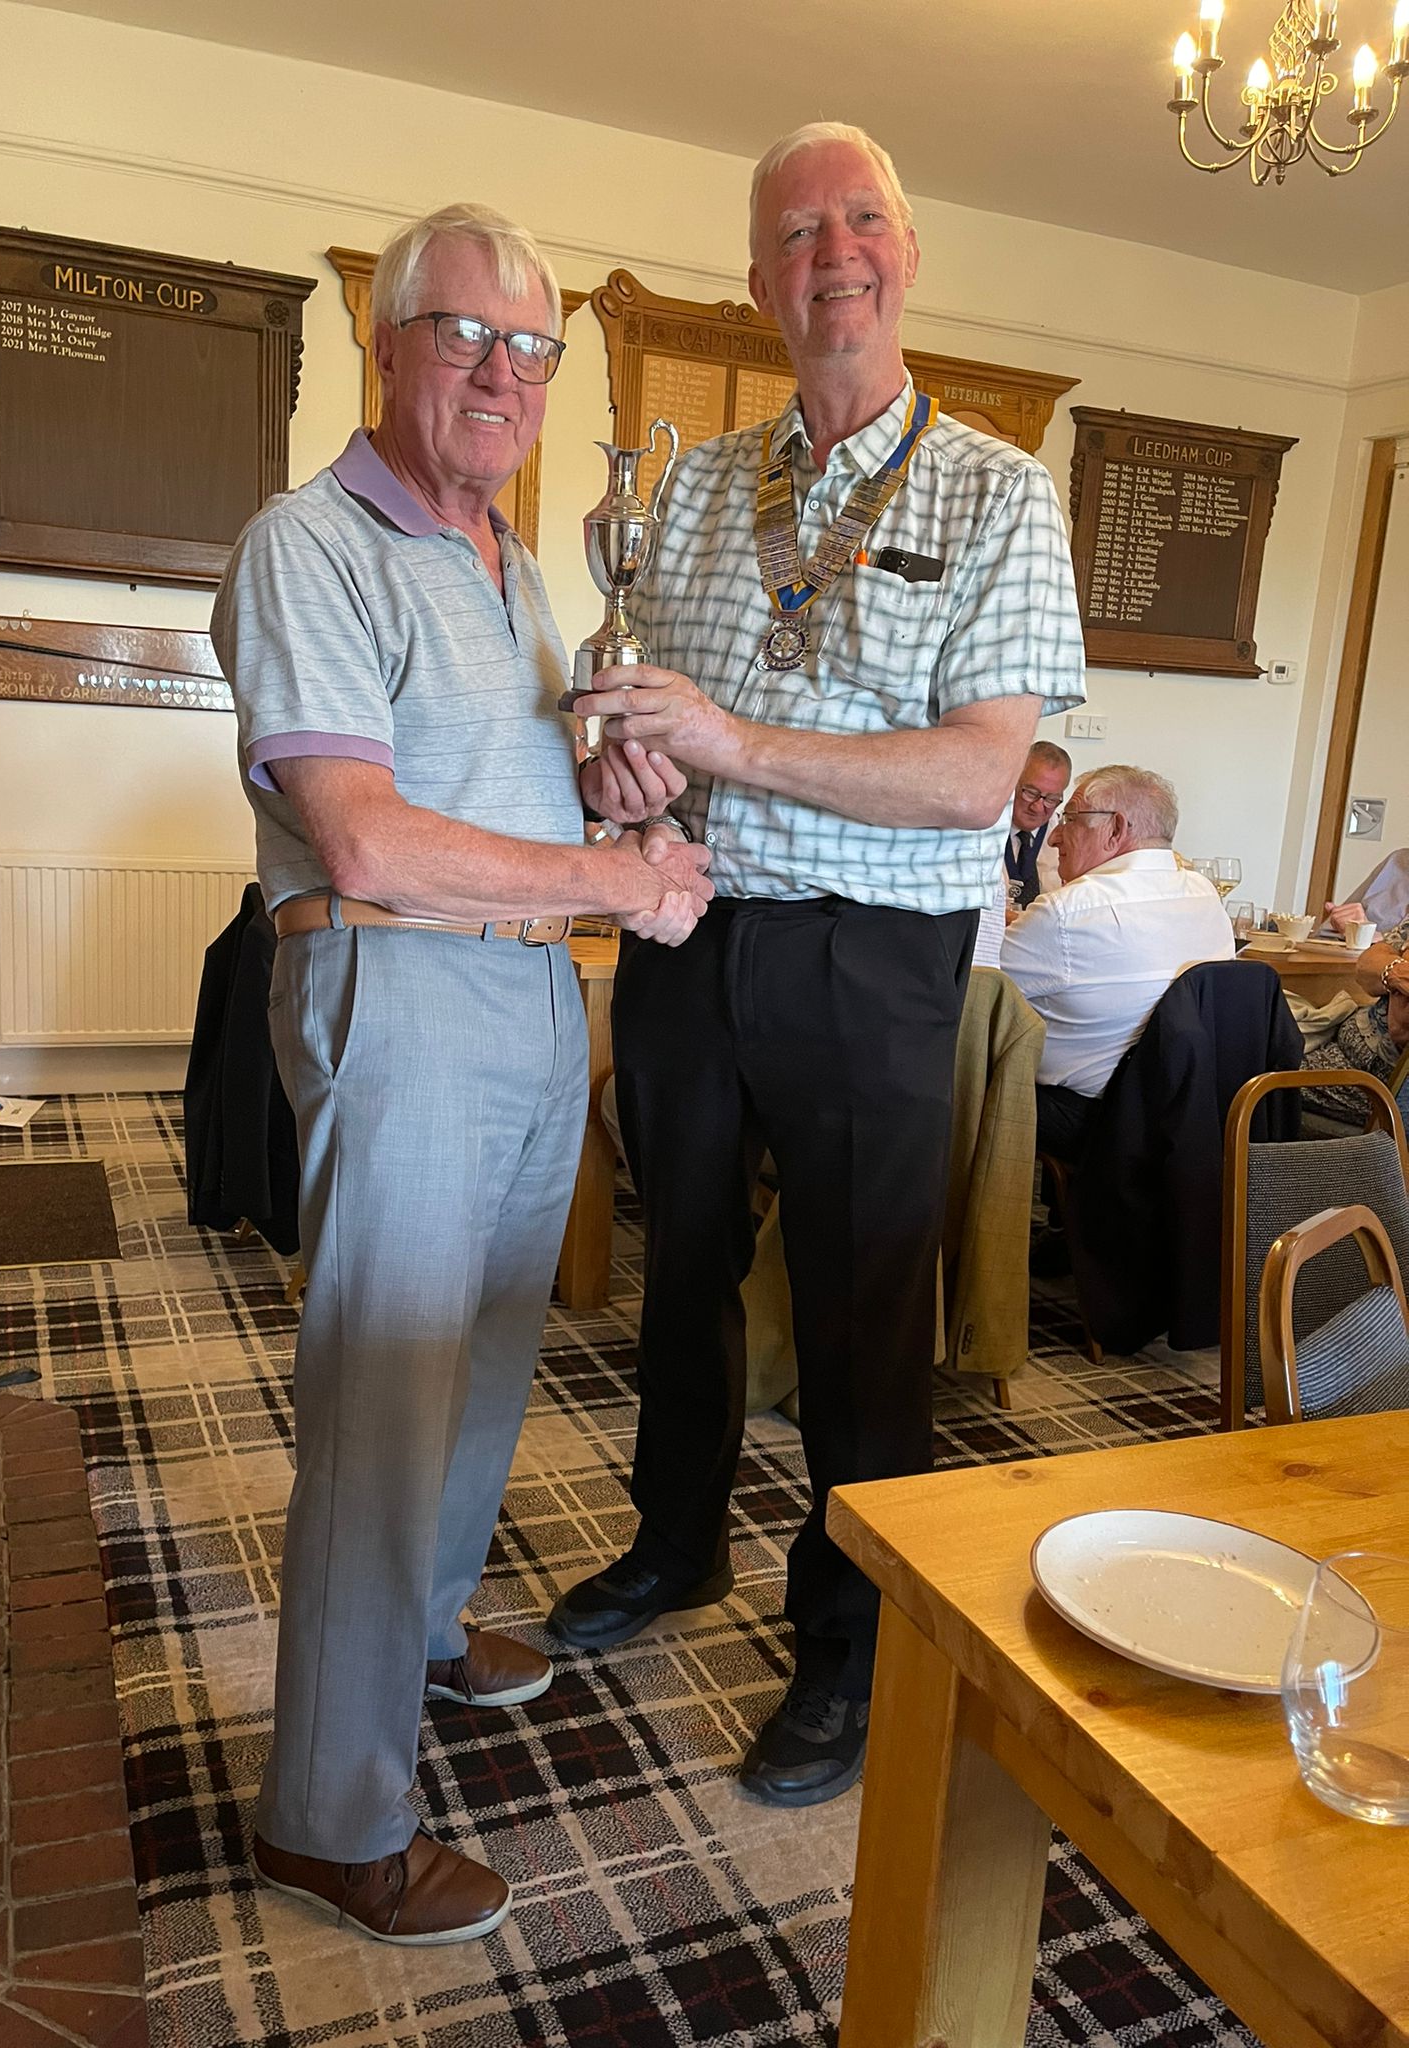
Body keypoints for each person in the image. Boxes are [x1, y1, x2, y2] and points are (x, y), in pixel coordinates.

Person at [549, 122, 1085, 1806]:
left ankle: (850, 1639)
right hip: (692, 931)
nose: (829, 252)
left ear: (907, 256)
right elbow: (643, 719)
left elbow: (976, 773)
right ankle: (676, 1539)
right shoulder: (700, 483)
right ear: (762, 281)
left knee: (864, 1313)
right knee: (681, 1262)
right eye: (793, 233)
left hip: (875, 958)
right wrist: (622, 764)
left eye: (859, 222)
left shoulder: (1001, 492)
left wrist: (730, 738)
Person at [211, 202, 712, 1947]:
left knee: (485, 1357)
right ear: (387, 343)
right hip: (399, 986)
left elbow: (511, 805)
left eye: (533, 350)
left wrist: (613, 806)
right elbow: (361, 839)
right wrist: (613, 883)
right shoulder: (310, 542)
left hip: (517, 998)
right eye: (466, 337)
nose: (502, 374)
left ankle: (424, 1626)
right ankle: (330, 1814)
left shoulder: (511, 566)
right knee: (384, 1396)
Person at [999, 764, 1235, 1162]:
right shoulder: (1203, 893)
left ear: (1116, 829)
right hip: (1188, 1118)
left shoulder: (1066, 912)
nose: (1054, 836)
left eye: (1070, 819)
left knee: (963, 1065)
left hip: (1096, 1121)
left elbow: (979, 984)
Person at [1299, 913, 1409, 1121]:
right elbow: (1366, 967)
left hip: (1370, 1082)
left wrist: (1390, 967)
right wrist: (1394, 971)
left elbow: (1399, 1026)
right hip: (1339, 1033)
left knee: (1248, 1067)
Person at [1004, 738, 1072, 910]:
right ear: (1012, 782)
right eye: (1031, 793)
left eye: (1051, 799)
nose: (1037, 807)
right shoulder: (981, 828)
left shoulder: (1066, 838)